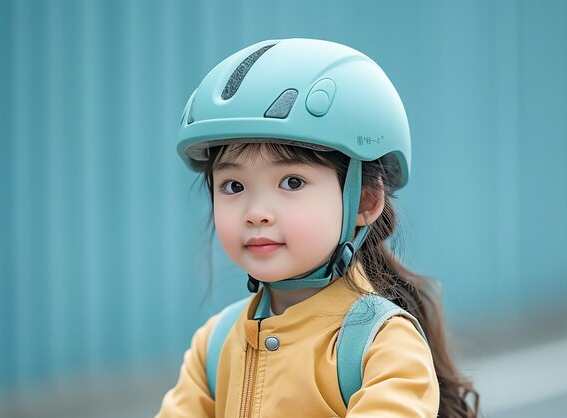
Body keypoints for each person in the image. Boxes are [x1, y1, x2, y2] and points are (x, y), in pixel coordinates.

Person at [156, 38, 478, 418]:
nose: (256, 212)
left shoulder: (381, 348)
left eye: (292, 182)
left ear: (364, 202)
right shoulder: (213, 346)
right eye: (234, 186)